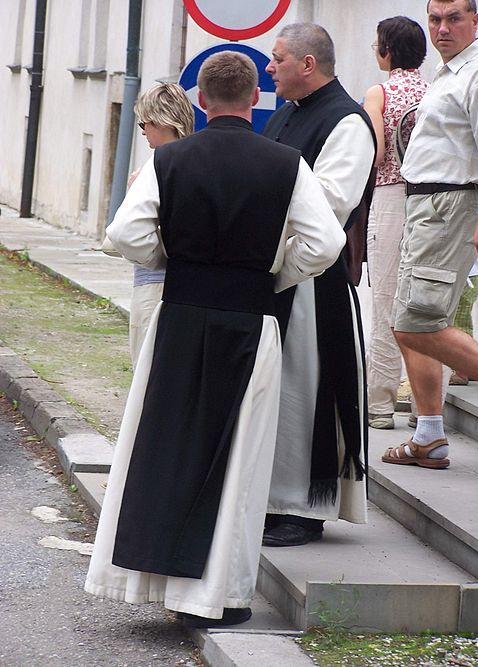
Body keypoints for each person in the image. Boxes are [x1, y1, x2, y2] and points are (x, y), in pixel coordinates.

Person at [85, 50, 346, 627]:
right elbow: (324, 245)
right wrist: (278, 273)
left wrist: (169, 257)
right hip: (251, 320)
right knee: (240, 462)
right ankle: (217, 597)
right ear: (258, 100)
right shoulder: (288, 165)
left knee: (165, 447)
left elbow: (123, 232)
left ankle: (153, 579)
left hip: (178, 316)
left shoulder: (169, 158)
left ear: (200, 102)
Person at [262, 23, 376, 547]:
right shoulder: (288, 112)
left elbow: (330, 205)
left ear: (308, 64)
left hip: (314, 281)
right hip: (272, 270)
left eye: (277, 58)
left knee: (302, 391)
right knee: (276, 390)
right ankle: (269, 499)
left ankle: (301, 506)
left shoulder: (347, 122)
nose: (269, 67)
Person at [383, 0, 478, 468]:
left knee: (417, 321)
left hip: (451, 203)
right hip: (426, 203)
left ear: (476, 20)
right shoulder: (447, 72)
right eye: (435, 19)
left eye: (454, 18)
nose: (443, 27)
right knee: (409, 323)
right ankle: (429, 436)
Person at [363, 16, 428, 430]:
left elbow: (375, 152)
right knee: (423, 305)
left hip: (389, 198)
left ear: (388, 50)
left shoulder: (379, 92)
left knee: (385, 301)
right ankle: (425, 406)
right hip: (431, 200)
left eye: (377, 44)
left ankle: (380, 405)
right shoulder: (435, 90)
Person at [129, 83, 194, 368]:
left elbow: (125, 233)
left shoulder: (158, 166)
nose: (143, 131)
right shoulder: (197, 160)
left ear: (161, 121)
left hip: (153, 283)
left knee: (147, 373)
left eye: (145, 123)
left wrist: (133, 194)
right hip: (189, 289)